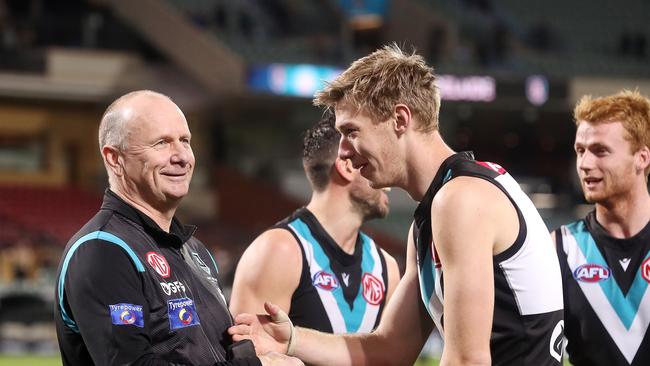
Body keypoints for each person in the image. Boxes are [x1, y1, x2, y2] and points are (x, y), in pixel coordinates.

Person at [229, 44, 564, 365]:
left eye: (351, 131)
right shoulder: (441, 208)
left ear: (400, 120)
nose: (343, 150)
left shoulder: (459, 200)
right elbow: (390, 349)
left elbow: (468, 359)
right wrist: (291, 340)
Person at [54, 90, 302, 366]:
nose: (182, 156)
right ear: (114, 158)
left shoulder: (193, 250)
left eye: (185, 141)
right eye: (162, 143)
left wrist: (256, 349)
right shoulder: (103, 249)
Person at [229, 111, 400, 334]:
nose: (389, 180)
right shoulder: (278, 252)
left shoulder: (386, 268)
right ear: (348, 167)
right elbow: (246, 356)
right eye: (379, 159)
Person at [552, 90, 650, 366]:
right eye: (580, 151)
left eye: (600, 151)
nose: (584, 164)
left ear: (641, 158)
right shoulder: (560, 248)